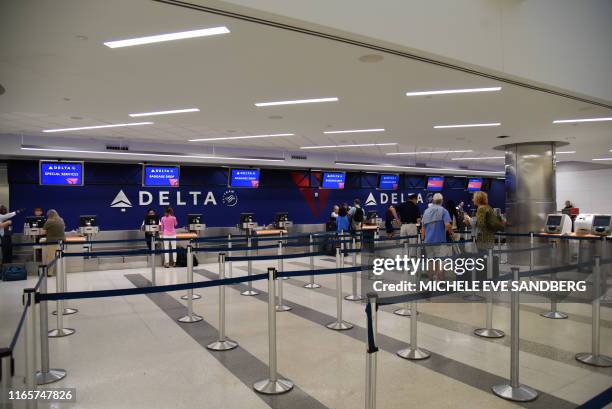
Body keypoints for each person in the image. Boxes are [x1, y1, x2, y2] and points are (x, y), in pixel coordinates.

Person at [421, 193, 452, 280]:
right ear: (442, 201)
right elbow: (447, 225)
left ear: (433, 201)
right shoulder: (444, 211)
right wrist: (452, 234)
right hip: (440, 241)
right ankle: (440, 280)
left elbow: (423, 227)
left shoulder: (426, 211)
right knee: (441, 261)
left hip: (428, 241)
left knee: (430, 261)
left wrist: (423, 239)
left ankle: (430, 279)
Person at [42, 209, 65, 276]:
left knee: (50, 258)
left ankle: (49, 273)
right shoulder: (61, 220)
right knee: (60, 257)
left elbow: (43, 232)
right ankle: (60, 272)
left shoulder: (49, 221)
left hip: (51, 242)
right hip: (61, 242)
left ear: (49, 215)